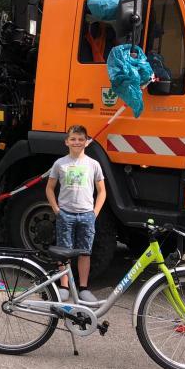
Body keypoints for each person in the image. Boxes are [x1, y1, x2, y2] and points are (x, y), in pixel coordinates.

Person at [45, 124, 106, 303]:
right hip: (65, 214)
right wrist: (57, 209)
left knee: (85, 252)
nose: (77, 142)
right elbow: (49, 188)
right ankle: (64, 286)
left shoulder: (93, 164)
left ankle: (83, 288)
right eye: (73, 139)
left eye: (81, 139)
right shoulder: (60, 163)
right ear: (66, 142)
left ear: (87, 142)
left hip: (87, 214)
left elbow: (102, 191)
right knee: (64, 252)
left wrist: (94, 213)